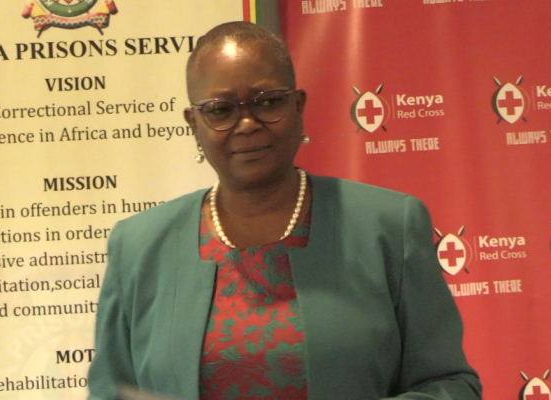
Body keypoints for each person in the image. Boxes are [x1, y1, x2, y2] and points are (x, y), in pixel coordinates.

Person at [87, 21, 482, 400]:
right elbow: (110, 393)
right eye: (220, 110)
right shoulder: (138, 246)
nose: (246, 123)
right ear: (194, 123)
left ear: (298, 106)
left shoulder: (389, 227)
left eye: (268, 102)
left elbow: (451, 386)